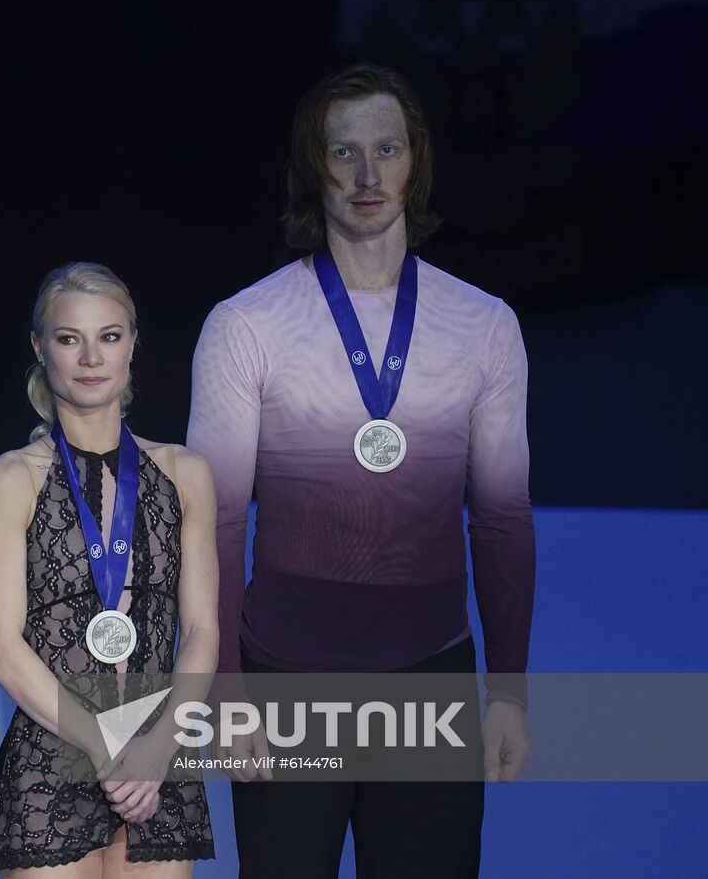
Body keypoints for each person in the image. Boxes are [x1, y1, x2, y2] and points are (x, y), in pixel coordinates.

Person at [187, 63, 535, 877]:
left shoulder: (485, 326)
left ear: (416, 161)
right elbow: (217, 520)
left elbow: (501, 519)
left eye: (387, 149)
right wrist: (225, 690)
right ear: (313, 167)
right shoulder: (245, 326)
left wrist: (509, 692)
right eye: (344, 152)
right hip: (285, 685)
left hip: (430, 684)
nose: (368, 175)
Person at [0, 262, 218, 876]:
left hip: (158, 761)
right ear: (40, 347)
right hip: (54, 755)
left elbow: (202, 630)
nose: (90, 358)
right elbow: (0, 647)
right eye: (69, 338)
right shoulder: (10, 479)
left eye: (109, 336)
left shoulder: (186, 473)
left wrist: (159, 748)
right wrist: (110, 748)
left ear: (132, 344)